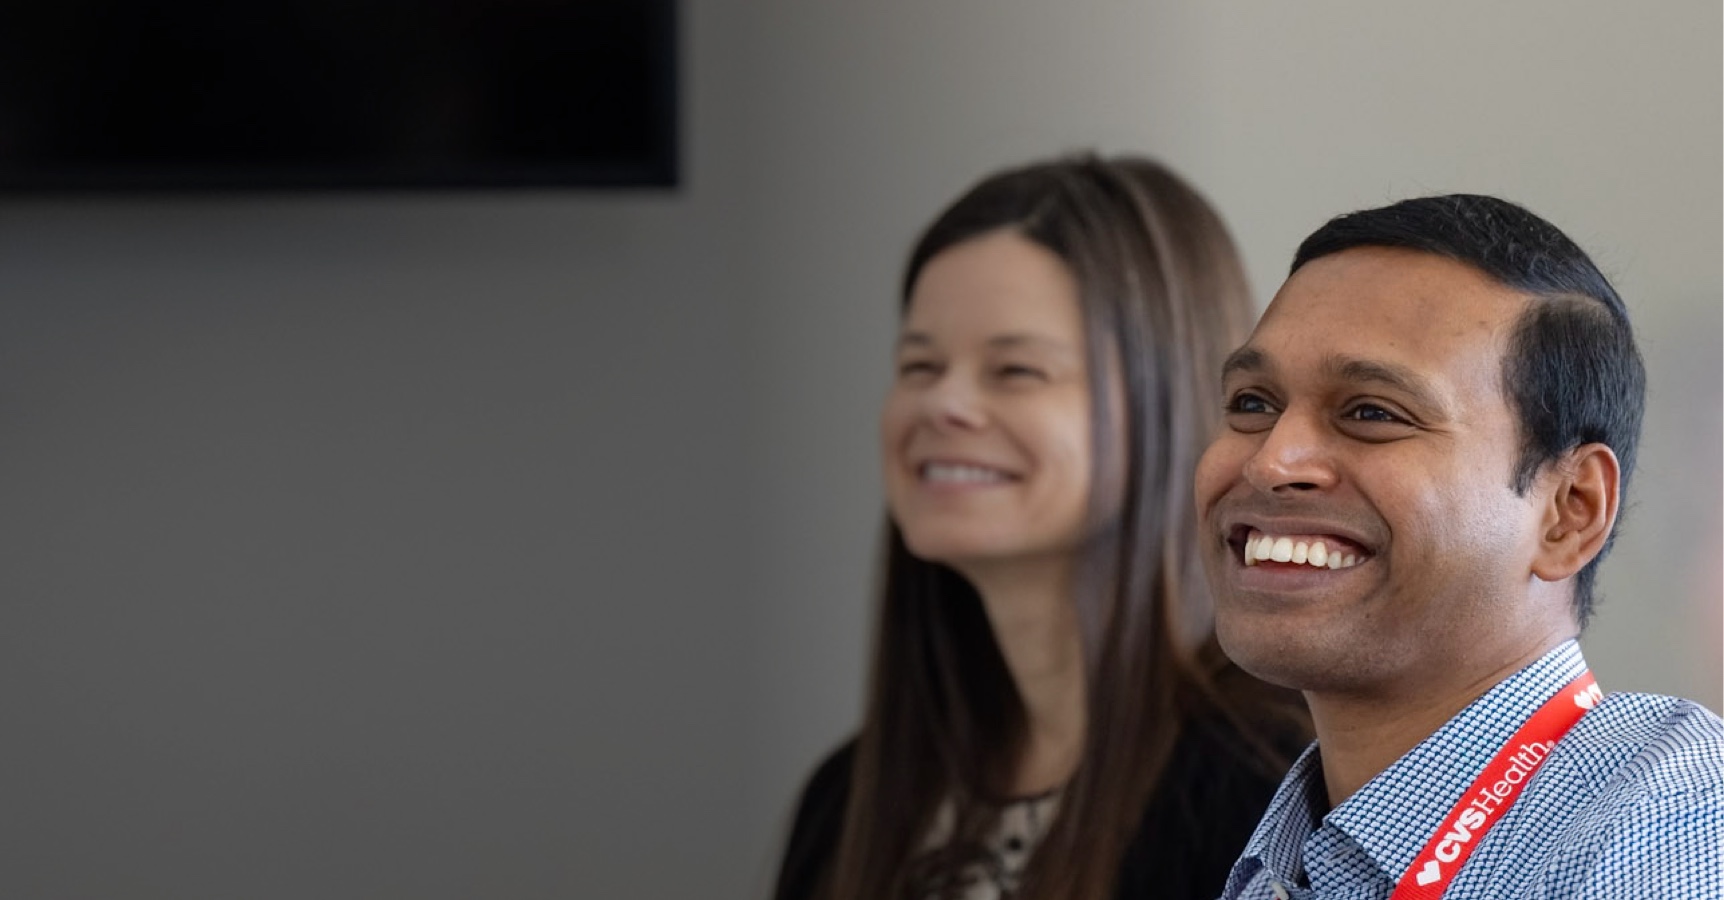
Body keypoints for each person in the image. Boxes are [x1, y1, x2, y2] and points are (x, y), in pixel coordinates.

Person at [771, 155, 1310, 900]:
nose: (943, 406)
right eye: (920, 366)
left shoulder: (1275, 784)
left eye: (1016, 370)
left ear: (1168, 401)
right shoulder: (847, 800)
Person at [1197, 193, 1724, 899]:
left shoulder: (1668, 824)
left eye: (1372, 413)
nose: (1271, 461)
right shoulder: (1282, 849)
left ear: (1570, 512)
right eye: (1252, 404)